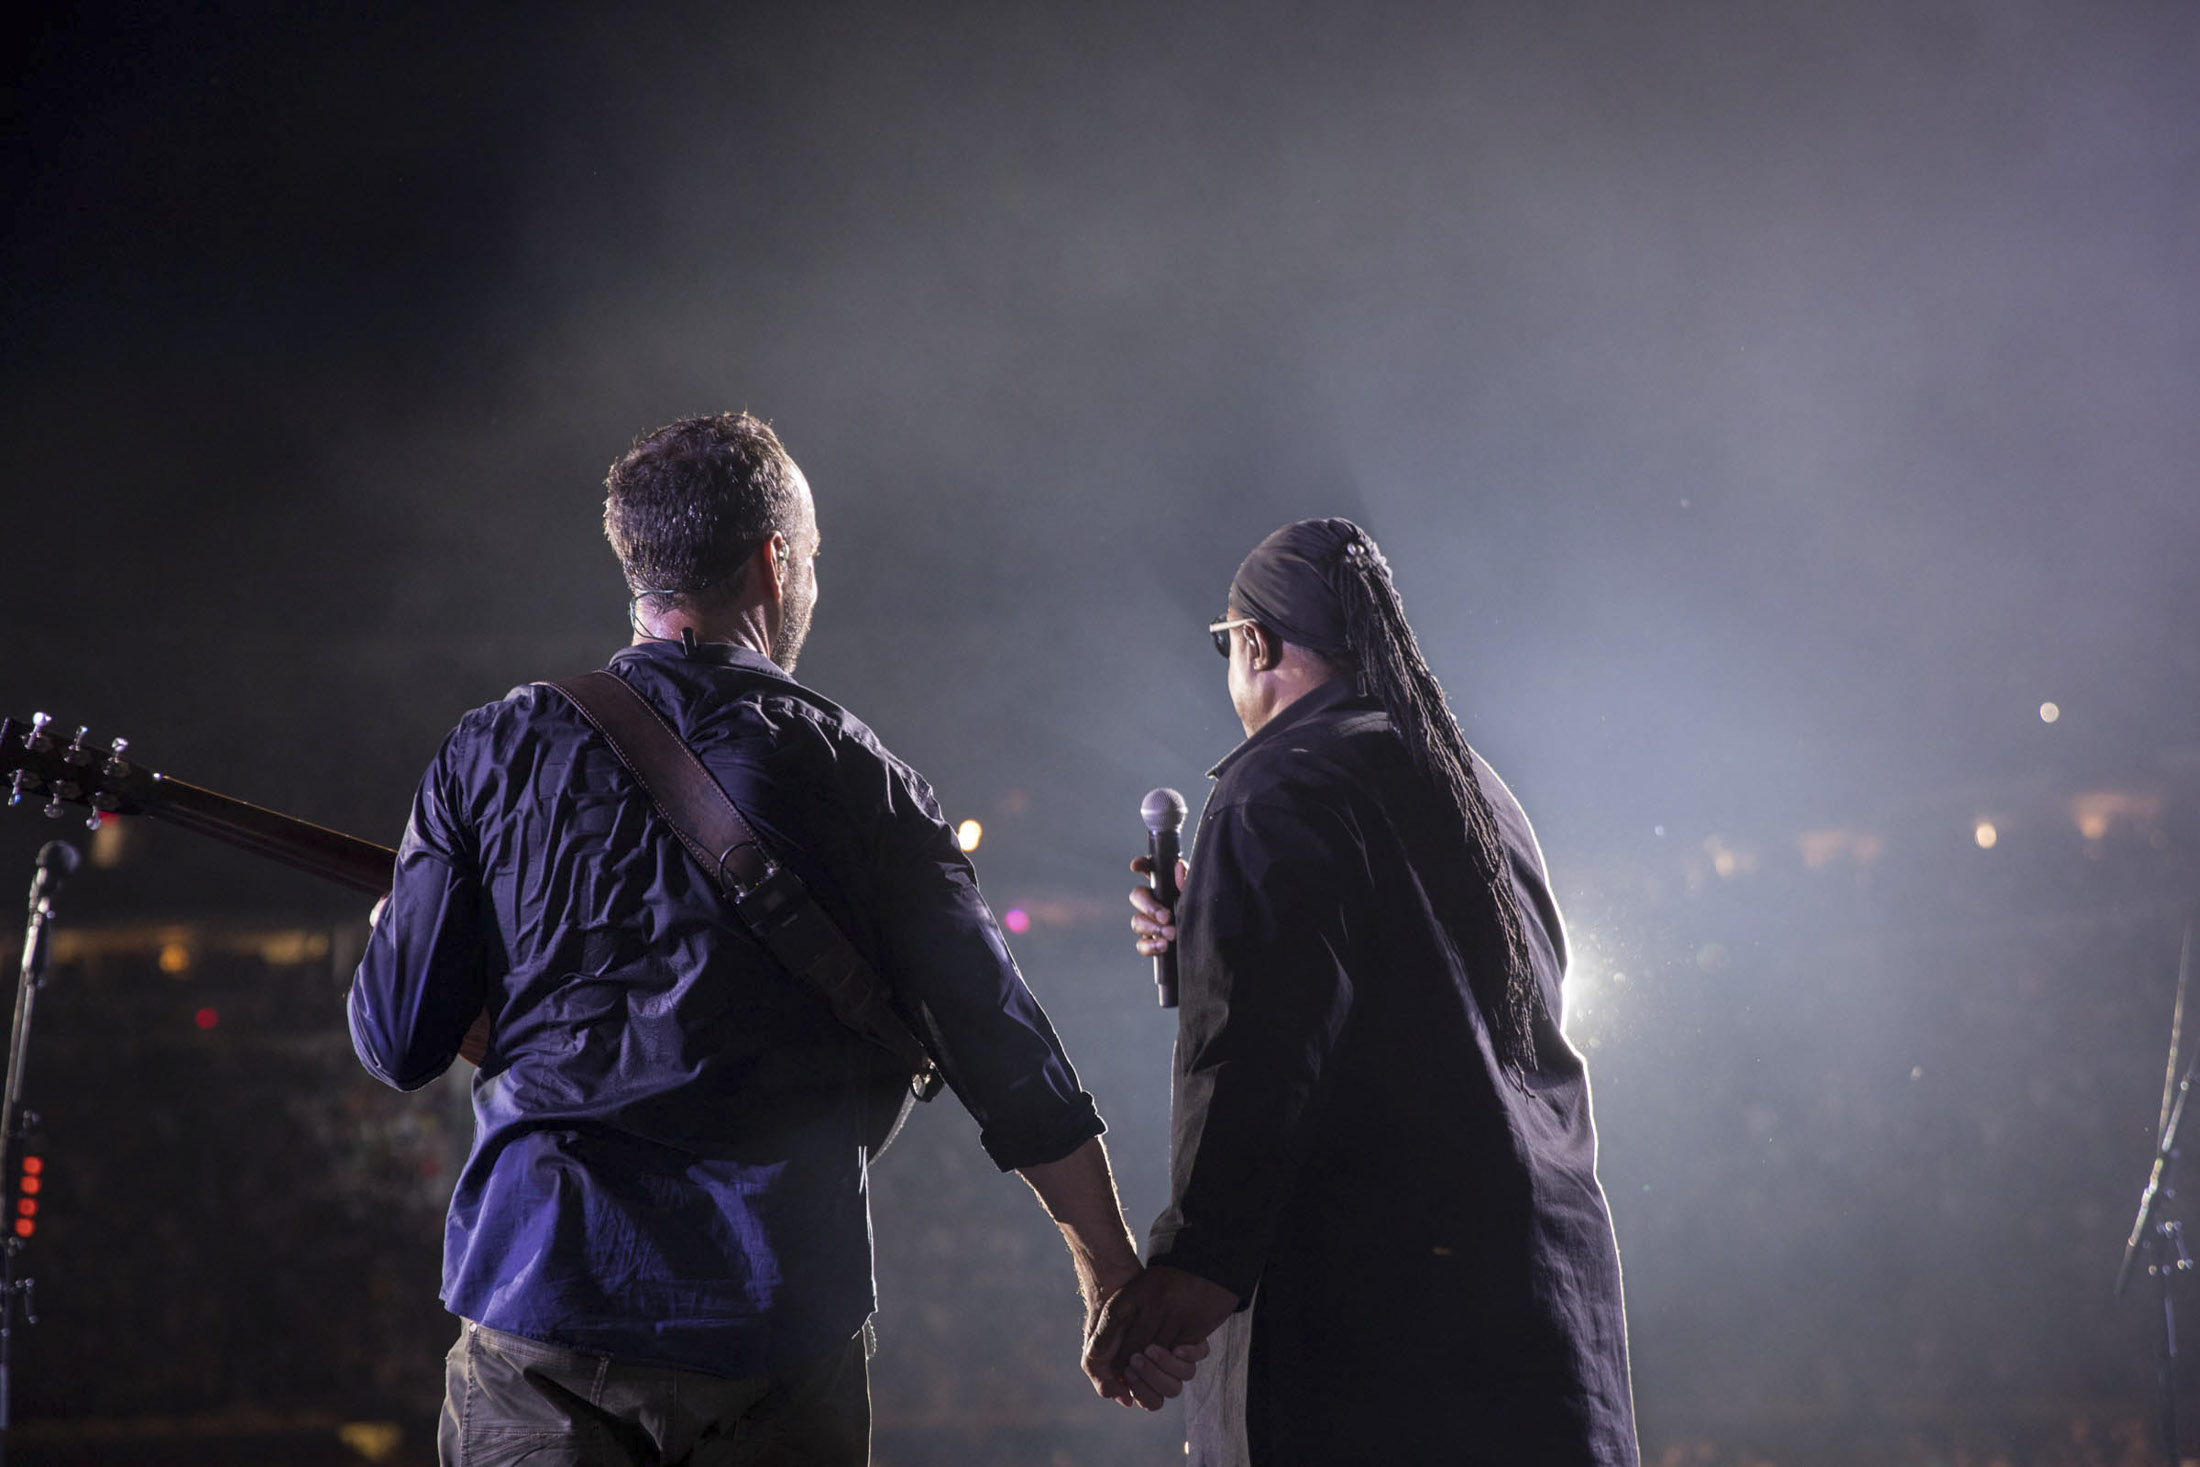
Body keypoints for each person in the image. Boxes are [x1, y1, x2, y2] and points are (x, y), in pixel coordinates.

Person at [349, 411, 1191, 1466]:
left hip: (543, 1320)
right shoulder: (856, 774)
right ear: (774, 562)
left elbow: (398, 1043)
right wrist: (1107, 1274)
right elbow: (1000, 1044)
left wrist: (396, 932)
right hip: (779, 1337)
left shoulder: (496, 747)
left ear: (640, 568)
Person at [1087, 518, 1639, 1465]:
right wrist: (1220, 917)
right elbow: (1436, 998)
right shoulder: (1480, 790)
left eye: (1226, 645)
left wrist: (1198, 1260)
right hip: (1547, 1326)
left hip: (1379, 1347)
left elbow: (1259, 1054)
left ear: (1253, 643)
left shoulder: (1275, 787)